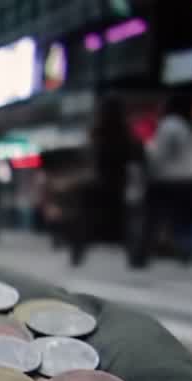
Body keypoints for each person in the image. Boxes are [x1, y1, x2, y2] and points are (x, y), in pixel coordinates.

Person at [78, 97, 144, 266]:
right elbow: (137, 159)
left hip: (100, 183)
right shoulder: (127, 134)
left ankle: (78, 253)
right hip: (120, 183)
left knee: (87, 219)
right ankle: (135, 257)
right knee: (125, 222)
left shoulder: (97, 134)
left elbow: (89, 160)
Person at [142, 96, 192, 266]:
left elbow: (160, 153)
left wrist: (149, 163)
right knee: (185, 220)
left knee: (154, 217)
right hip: (190, 180)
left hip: (166, 179)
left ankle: (146, 253)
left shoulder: (170, 125)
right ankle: (185, 251)